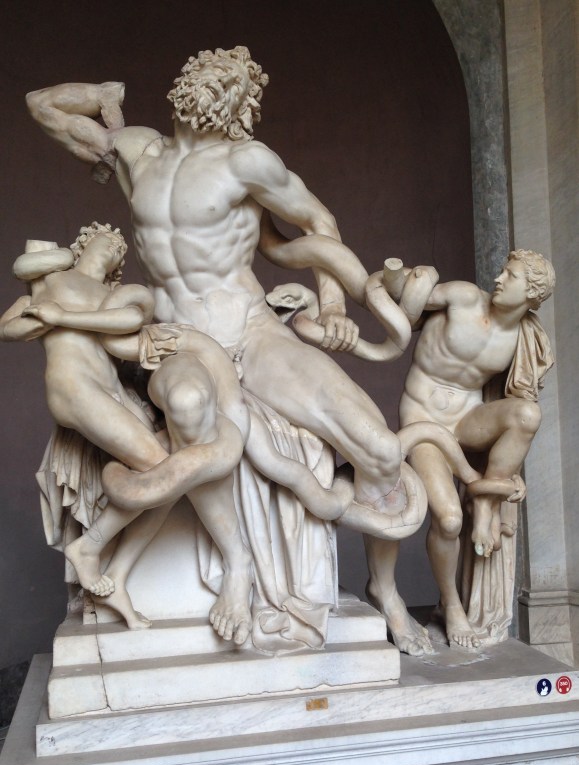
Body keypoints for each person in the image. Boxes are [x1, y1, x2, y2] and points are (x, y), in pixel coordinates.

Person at [26, 46, 420, 559]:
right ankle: (233, 562)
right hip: (178, 341)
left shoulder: (247, 161)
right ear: (183, 81)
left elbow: (317, 221)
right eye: (208, 70)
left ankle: (369, 564)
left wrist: (333, 306)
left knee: (381, 449)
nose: (217, 81)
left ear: (243, 104)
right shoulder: (138, 150)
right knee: (188, 411)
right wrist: (101, 96)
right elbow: (43, 106)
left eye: (232, 79)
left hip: (252, 333)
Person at [0, 224, 255, 641]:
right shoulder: (50, 281)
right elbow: (8, 327)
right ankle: (89, 547)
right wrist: (36, 318)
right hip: (74, 387)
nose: (116, 250)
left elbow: (131, 320)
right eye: (108, 241)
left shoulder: (115, 296)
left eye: (121, 250)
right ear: (83, 243)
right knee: (161, 471)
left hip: (109, 392)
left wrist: (62, 317)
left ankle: (116, 575)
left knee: (164, 478)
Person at [366, 250, 555, 651]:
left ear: (532, 293)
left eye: (511, 276)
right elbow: (402, 298)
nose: (499, 279)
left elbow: (515, 400)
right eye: (503, 271)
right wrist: (412, 276)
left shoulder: (524, 338)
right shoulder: (464, 297)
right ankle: (451, 604)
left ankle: (486, 501)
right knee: (450, 520)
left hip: (469, 420)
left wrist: (507, 472)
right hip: (424, 420)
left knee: (527, 414)